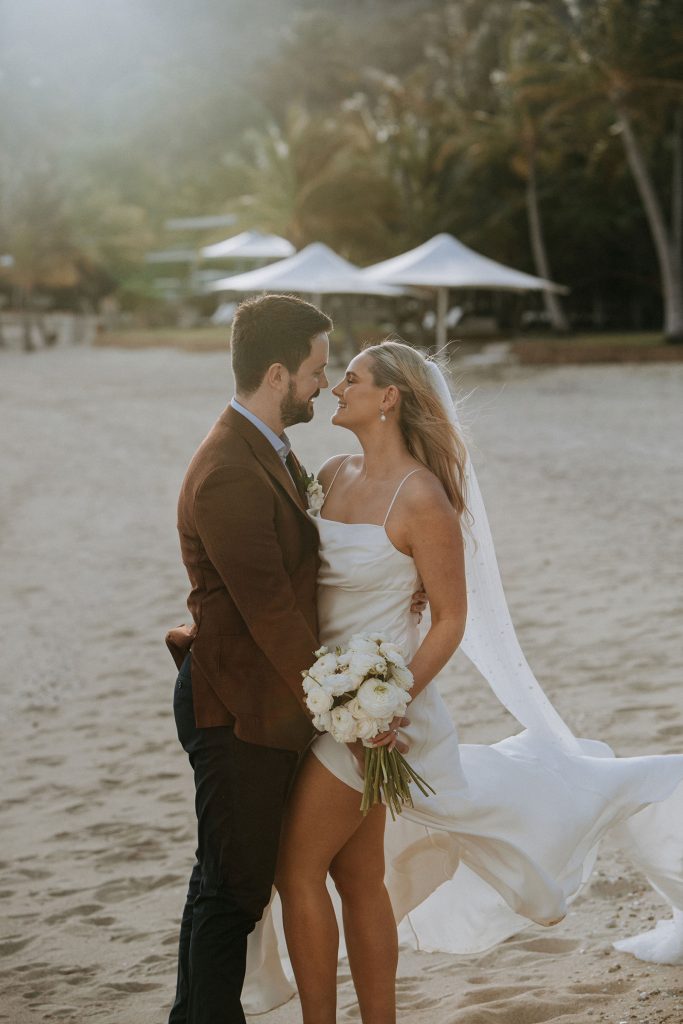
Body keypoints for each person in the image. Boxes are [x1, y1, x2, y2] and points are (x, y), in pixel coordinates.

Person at [250, 340, 683, 1024]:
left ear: (388, 398)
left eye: (353, 378)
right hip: (320, 696)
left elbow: (450, 620)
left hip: (374, 714)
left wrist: (385, 705)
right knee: (357, 876)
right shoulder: (330, 474)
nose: (337, 387)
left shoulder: (422, 497)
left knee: (294, 868)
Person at [166, 293, 331, 1024]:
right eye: (316, 371)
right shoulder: (231, 468)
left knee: (226, 882)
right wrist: (339, 699)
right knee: (231, 890)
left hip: (254, 697)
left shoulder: (266, 448)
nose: (322, 385)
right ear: (276, 373)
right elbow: (269, 610)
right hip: (234, 704)